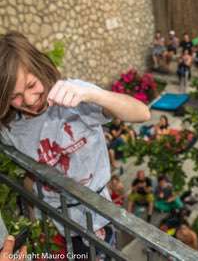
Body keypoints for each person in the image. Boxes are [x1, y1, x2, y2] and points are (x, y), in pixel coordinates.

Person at [0, 31, 151, 258]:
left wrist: (93, 94)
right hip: (50, 222)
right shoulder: (11, 125)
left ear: (40, 66)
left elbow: (142, 113)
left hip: (94, 220)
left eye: (31, 85)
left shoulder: (75, 95)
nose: (30, 101)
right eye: (15, 96)